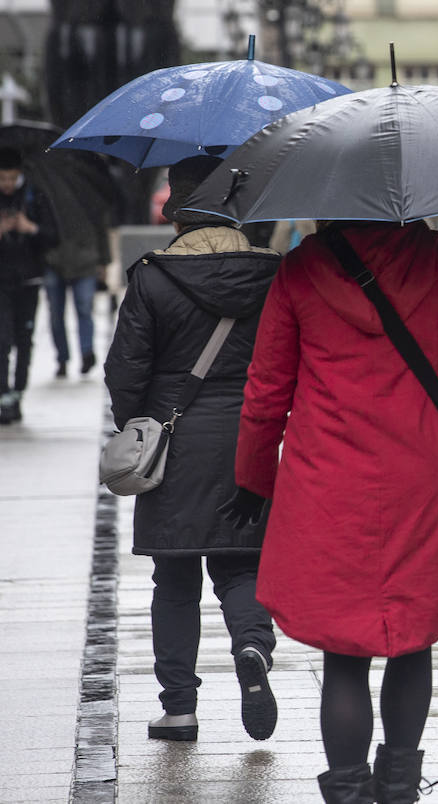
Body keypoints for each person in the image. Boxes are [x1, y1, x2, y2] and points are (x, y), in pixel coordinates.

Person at [224, 219, 438, 802]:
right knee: (414, 635)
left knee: (343, 651)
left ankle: (349, 793)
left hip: (328, 476)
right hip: (421, 476)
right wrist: (423, 400)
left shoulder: (302, 268)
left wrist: (253, 476)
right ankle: (400, 785)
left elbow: (267, 386)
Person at [102, 155, 282, 744]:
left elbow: (124, 370)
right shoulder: (273, 275)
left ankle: (179, 708)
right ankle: (252, 644)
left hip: (172, 440)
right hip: (249, 441)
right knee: (240, 565)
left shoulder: (152, 277)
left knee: (174, 579)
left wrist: (140, 426)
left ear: (173, 208)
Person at [0, 147, 59, 424]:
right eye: (2, 179)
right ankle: (3, 394)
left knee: (24, 339)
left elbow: (53, 236)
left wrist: (29, 228)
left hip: (29, 279)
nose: (7, 185)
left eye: (12, 178)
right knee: (2, 339)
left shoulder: (35, 196)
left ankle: (18, 392)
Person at [44, 174, 112, 379]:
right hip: (54, 258)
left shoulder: (90, 195)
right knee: (57, 313)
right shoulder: (46, 190)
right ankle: (63, 358)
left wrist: (103, 262)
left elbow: (102, 228)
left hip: (85, 259)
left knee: (83, 308)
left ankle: (86, 352)